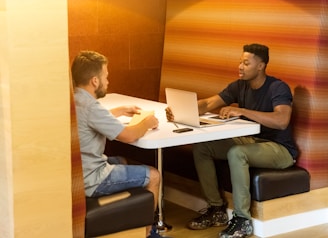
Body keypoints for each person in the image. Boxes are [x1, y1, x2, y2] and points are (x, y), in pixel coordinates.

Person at [166, 43, 298, 238]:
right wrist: (182, 110)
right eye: (240, 61)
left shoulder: (277, 88)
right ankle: (217, 209)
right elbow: (209, 103)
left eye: (246, 63)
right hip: (252, 140)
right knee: (203, 147)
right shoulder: (239, 86)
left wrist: (242, 111)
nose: (240, 66)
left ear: (261, 66)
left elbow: (281, 121)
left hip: (280, 149)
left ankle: (242, 220)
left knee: (236, 153)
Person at [71, 51, 163, 238]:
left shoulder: (75, 99)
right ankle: (149, 233)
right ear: (95, 81)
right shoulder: (91, 106)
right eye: (106, 76)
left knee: (121, 160)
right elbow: (128, 136)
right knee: (153, 175)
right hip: (92, 179)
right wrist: (147, 122)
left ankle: (131, 226)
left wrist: (120, 110)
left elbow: (92, 119)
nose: (108, 81)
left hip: (77, 174)